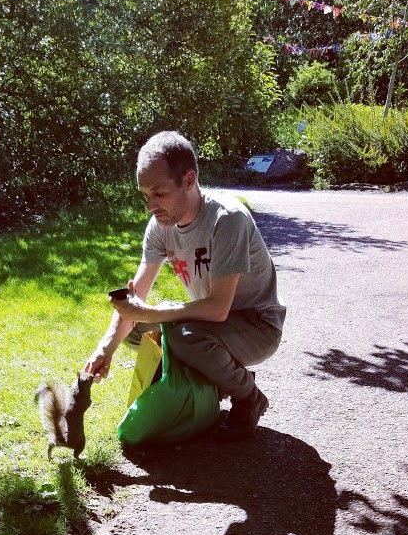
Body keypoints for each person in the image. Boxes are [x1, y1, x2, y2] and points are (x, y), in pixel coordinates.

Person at [84, 130, 286, 438]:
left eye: (159, 193)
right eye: (146, 195)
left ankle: (249, 396)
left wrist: (152, 312)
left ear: (188, 180)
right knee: (136, 333)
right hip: (215, 325)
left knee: (184, 338)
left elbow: (218, 309)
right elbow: (136, 294)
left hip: (256, 325)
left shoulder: (227, 219)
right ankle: (203, 385)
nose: (151, 205)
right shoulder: (160, 227)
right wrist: (105, 347)